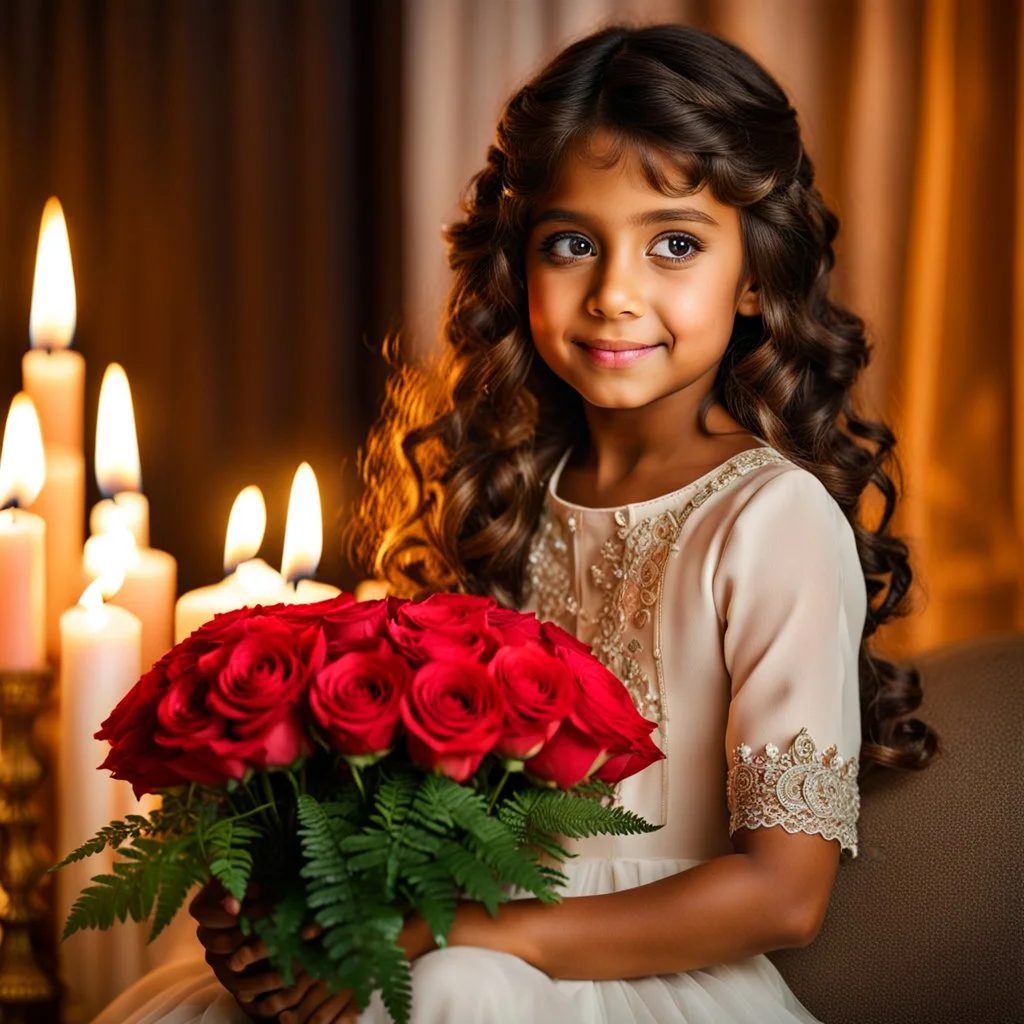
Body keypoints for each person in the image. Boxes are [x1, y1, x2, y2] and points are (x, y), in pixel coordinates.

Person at [90, 22, 938, 1024]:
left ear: (756, 273)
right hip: (441, 938)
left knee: (453, 990)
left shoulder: (770, 519)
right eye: (572, 243)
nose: (616, 293)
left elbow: (783, 896)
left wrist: (466, 936)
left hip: (627, 978)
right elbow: (407, 821)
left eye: (675, 243)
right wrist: (295, 920)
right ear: (517, 263)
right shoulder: (499, 497)